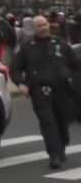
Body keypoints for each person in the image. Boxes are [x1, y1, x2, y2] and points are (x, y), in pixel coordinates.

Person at [10, 15, 79, 169]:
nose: (43, 28)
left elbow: (75, 64)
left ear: (49, 25)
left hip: (62, 89)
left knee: (62, 121)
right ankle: (54, 154)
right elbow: (15, 68)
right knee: (48, 122)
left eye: (45, 24)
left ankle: (61, 146)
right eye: (40, 26)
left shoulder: (60, 44)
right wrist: (20, 83)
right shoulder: (27, 47)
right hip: (40, 90)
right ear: (34, 29)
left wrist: (73, 80)